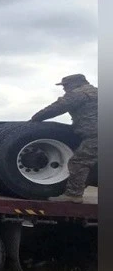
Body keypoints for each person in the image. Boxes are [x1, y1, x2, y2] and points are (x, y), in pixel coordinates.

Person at [30, 73, 98, 203]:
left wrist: (35, 119)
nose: (64, 88)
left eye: (65, 85)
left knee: (79, 163)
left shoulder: (79, 94)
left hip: (96, 136)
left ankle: (73, 195)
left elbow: (56, 108)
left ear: (74, 84)